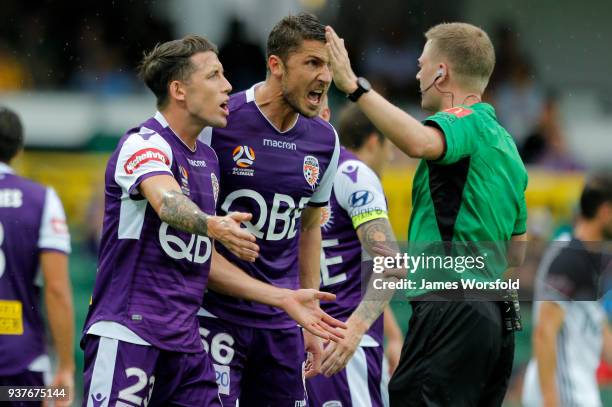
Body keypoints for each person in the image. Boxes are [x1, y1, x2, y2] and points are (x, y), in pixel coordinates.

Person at [81, 35, 344, 406]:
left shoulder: (207, 161)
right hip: (130, 331)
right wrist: (211, 224)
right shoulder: (144, 143)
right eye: (214, 75)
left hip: (186, 344)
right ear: (179, 90)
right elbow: (167, 200)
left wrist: (286, 299)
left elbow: (212, 259)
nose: (228, 85)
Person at [326, 22, 528, 406]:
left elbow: (418, 142)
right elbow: (515, 253)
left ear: (441, 73)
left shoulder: (464, 122)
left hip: (449, 307)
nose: (417, 74)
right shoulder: (508, 148)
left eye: (422, 65)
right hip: (495, 321)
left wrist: (354, 87)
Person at [197, 13, 340, 405]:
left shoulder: (326, 140)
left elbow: (310, 228)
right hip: (216, 316)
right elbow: (192, 233)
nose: (325, 77)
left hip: (282, 325)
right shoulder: (221, 123)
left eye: (327, 65)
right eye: (312, 63)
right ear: (276, 65)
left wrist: (310, 314)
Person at [306, 102, 403, 406]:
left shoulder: (300, 171)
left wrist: (393, 334)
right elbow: (391, 264)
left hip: (307, 341)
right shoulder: (355, 173)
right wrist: (356, 330)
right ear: (375, 141)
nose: (391, 155)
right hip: (344, 348)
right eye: (390, 144)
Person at [0, 106, 74, 406]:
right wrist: (66, 367)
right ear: (18, 149)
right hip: (21, 370)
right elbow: (56, 290)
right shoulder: (41, 199)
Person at [522, 173, 612, 407]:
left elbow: (599, 328)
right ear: (605, 211)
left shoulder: (594, 259)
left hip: (580, 387)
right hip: (564, 390)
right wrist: (551, 400)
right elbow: (544, 332)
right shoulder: (569, 258)